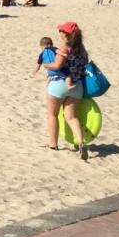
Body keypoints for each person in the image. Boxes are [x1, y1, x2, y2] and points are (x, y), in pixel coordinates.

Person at [43, 21, 90, 159]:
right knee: (71, 117)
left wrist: (46, 65)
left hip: (59, 84)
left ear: (67, 34)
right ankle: (81, 142)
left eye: (61, 31)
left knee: (53, 114)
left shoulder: (64, 48)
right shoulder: (82, 50)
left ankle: (53, 144)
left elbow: (57, 66)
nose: (59, 33)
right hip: (77, 86)